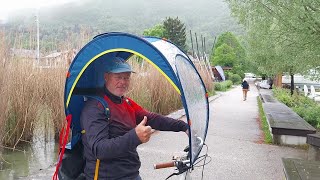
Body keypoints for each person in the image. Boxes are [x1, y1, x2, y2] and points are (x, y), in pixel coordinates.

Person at [80, 57, 189, 180]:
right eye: (118, 77)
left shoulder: (126, 102)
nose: (123, 82)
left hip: (131, 174)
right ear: (106, 77)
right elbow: (100, 149)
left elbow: (152, 118)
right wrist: (135, 137)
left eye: (126, 77)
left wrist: (183, 126)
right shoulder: (95, 107)